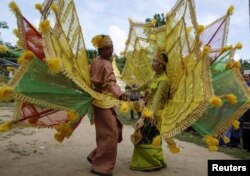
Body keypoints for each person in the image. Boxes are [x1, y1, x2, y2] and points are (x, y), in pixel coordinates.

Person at [88, 34, 125, 176]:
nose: (111, 51)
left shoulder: (95, 61)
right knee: (111, 134)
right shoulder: (105, 63)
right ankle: (101, 167)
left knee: (106, 132)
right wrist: (121, 94)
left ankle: (94, 157)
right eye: (108, 49)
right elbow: (111, 83)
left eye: (112, 48)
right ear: (101, 50)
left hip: (99, 101)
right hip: (102, 102)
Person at [130, 50, 171, 171]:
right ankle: (150, 161)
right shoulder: (155, 77)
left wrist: (151, 113)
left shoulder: (164, 80)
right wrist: (134, 89)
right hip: (148, 110)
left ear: (162, 64)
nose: (152, 63)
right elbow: (144, 85)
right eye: (152, 60)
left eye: (155, 61)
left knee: (148, 134)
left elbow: (158, 97)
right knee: (144, 133)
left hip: (155, 112)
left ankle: (152, 161)